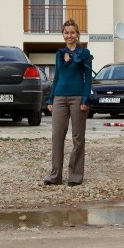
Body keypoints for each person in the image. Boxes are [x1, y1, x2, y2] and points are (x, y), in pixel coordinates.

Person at [43, 19, 93, 187]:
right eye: (66, 33)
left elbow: (88, 79)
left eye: (72, 32)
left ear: (77, 34)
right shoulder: (59, 54)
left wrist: (85, 99)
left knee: (78, 137)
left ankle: (75, 176)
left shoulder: (85, 53)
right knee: (57, 136)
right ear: (63, 34)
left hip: (77, 98)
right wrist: (50, 99)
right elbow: (56, 76)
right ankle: (55, 175)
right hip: (59, 98)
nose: (69, 35)